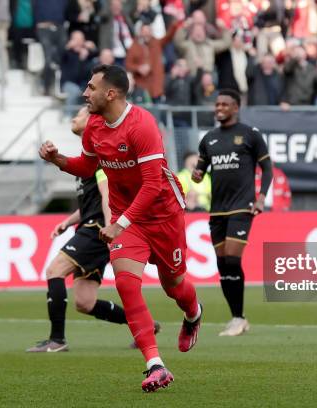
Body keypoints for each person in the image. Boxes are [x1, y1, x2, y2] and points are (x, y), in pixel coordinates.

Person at [39, 64, 201, 393]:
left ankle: (194, 314)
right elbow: (87, 165)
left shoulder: (142, 125)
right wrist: (58, 160)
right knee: (127, 285)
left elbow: (153, 185)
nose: (85, 94)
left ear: (110, 94)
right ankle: (155, 364)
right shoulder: (94, 126)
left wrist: (118, 223)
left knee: (175, 286)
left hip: (164, 214)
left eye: (91, 88)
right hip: (129, 219)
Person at [27, 107, 146, 353]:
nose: (74, 117)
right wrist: (66, 223)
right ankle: (143, 327)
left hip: (96, 230)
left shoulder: (102, 155)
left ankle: (57, 340)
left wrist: (113, 227)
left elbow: (106, 196)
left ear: (92, 121)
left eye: (80, 114)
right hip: (93, 227)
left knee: (54, 270)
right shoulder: (89, 157)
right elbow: (89, 204)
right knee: (85, 302)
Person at [192, 89, 273, 336]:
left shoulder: (250, 135)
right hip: (217, 210)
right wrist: (197, 175)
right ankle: (237, 317)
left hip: (241, 207)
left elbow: (267, 169)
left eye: (224, 104)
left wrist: (260, 199)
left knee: (232, 260)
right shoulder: (209, 139)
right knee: (222, 264)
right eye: (217, 104)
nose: (219, 108)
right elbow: (200, 171)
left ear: (235, 107)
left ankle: (238, 318)